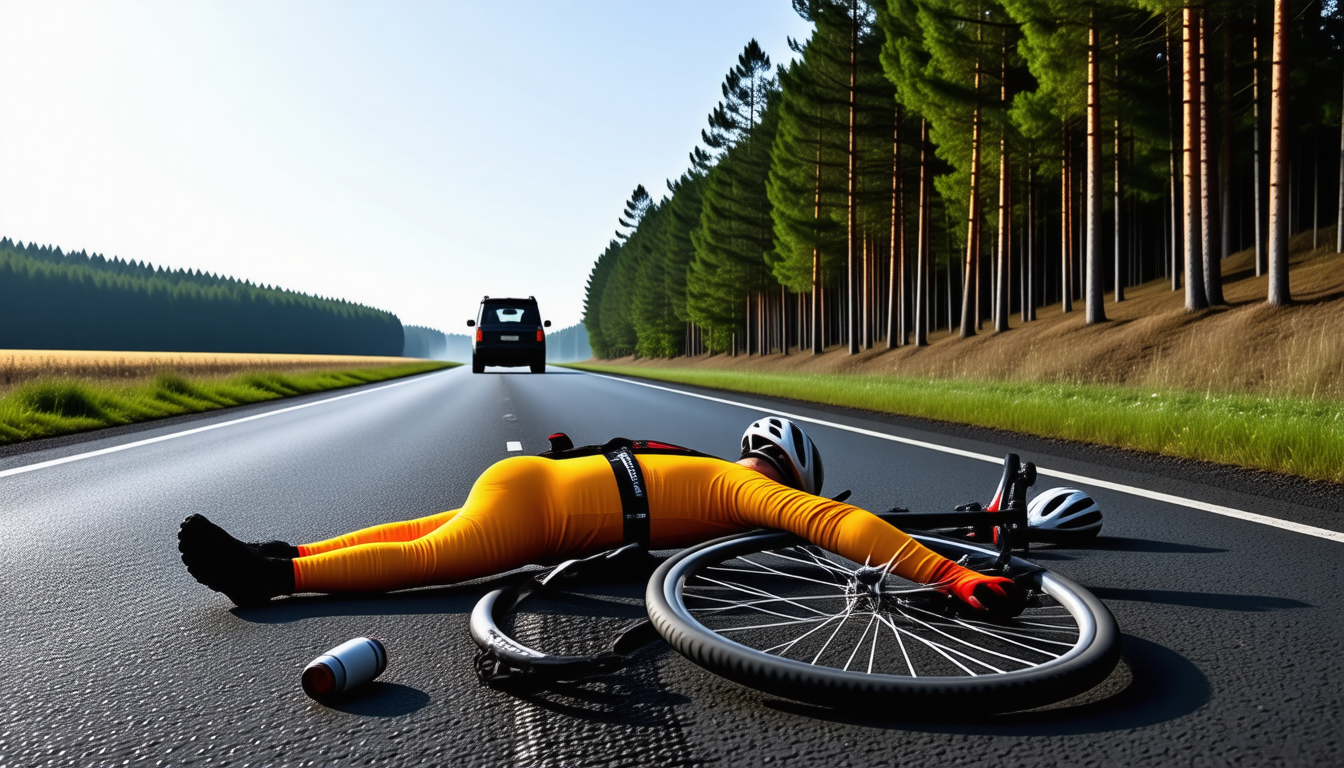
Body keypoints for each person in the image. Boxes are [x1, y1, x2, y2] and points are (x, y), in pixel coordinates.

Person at [178, 418, 1024, 619]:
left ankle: (289, 549)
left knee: (414, 532)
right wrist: (948, 571)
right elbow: (842, 533)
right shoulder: (743, 493)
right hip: (538, 516)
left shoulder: (695, 461)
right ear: (793, 475)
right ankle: (275, 577)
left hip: (530, 478)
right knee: (425, 560)